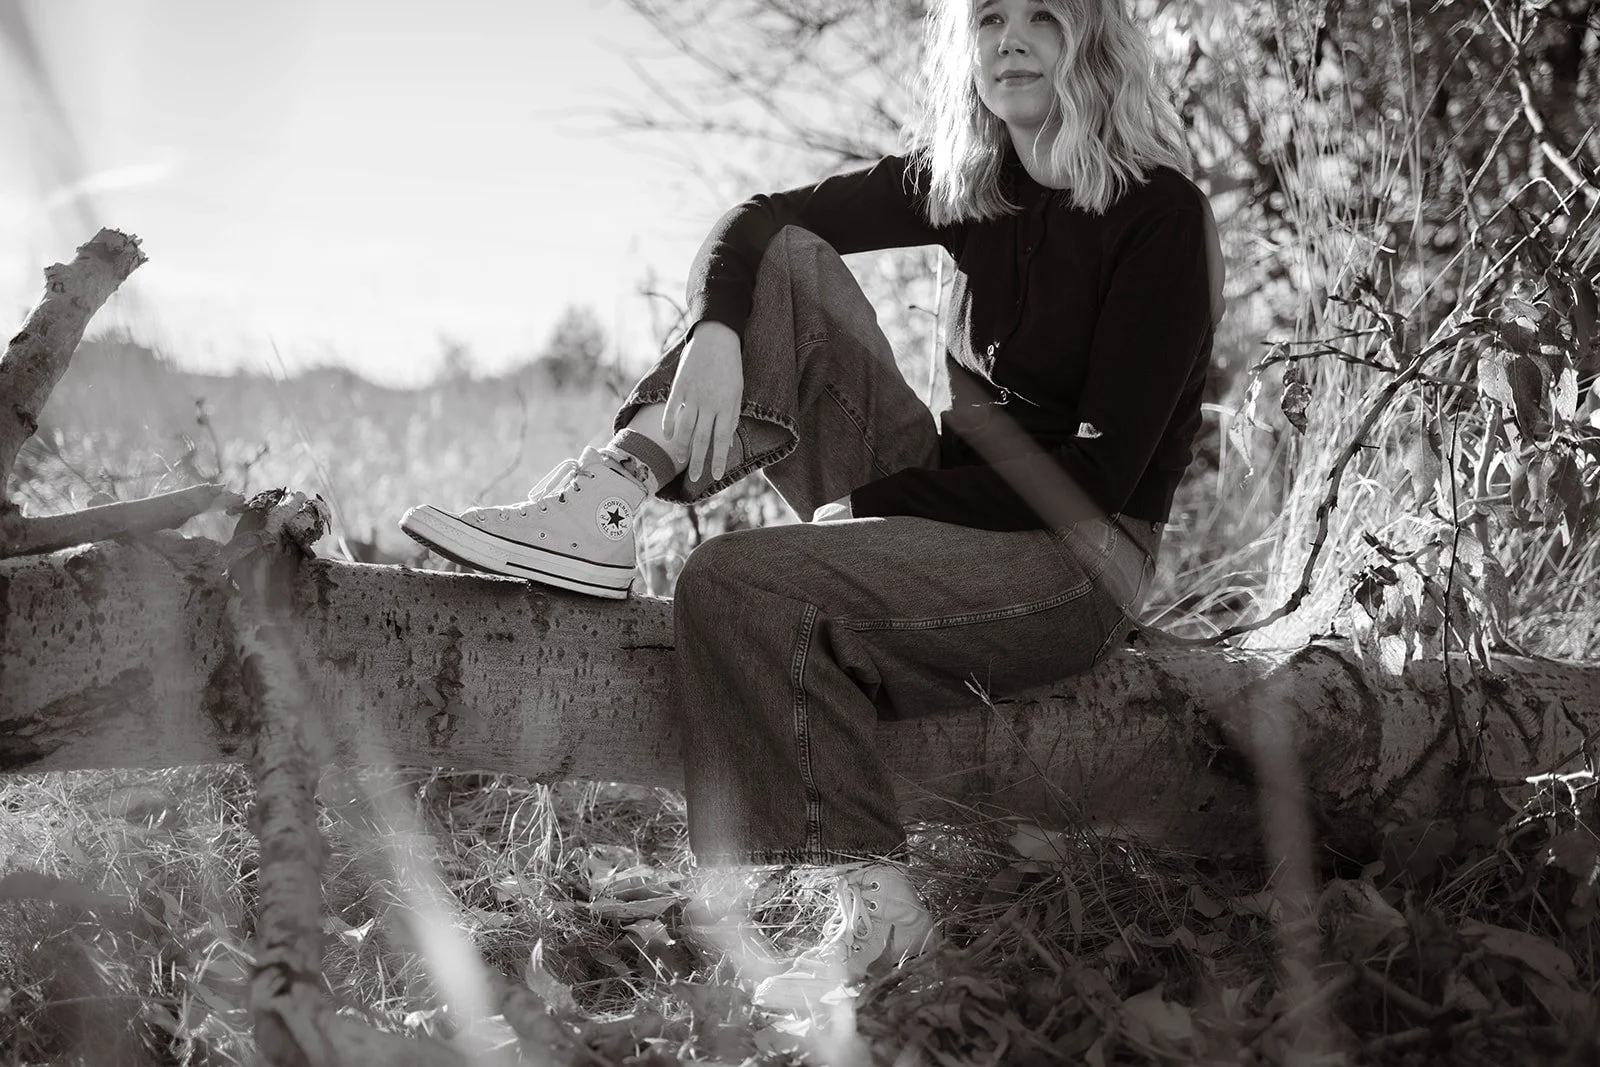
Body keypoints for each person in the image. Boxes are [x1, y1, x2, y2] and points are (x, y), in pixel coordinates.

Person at [401, 0, 1224, 1011]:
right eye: (991, 17)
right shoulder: (967, 187)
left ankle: (881, 915)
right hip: (948, 496)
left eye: (1043, 16)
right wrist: (713, 333)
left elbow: (1095, 476)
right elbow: (754, 221)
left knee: (739, 580)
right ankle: (611, 495)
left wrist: (866, 503)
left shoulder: (1159, 215)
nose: (1010, 38)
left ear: (1093, 40)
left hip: (1075, 553)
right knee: (786, 260)